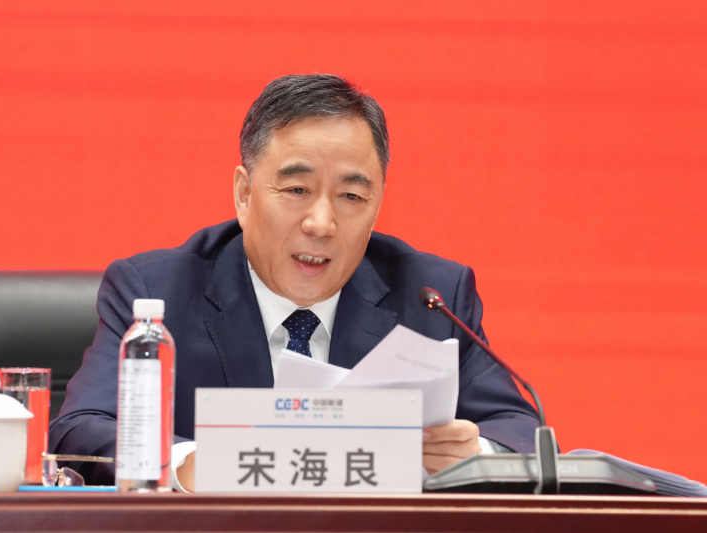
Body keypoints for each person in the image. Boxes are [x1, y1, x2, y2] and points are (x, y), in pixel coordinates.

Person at [49, 74, 539, 491]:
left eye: (351, 196)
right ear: (245, 195)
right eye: (297, 189)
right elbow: (80, 431)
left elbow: (520, 431)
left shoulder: (431, 296)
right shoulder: (155, 291)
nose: (321, 223)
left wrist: (476, 454)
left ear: (377, 205)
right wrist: (188, 464)